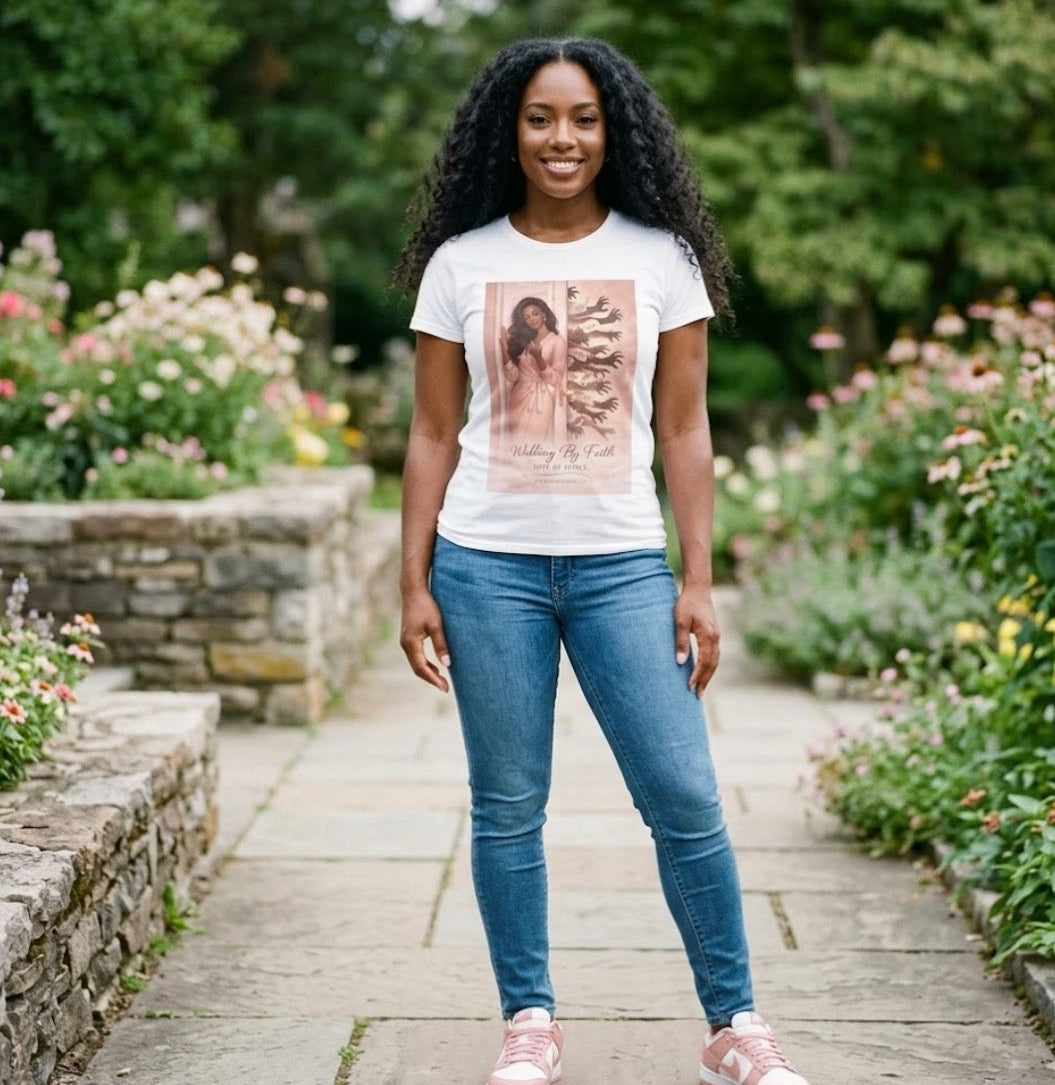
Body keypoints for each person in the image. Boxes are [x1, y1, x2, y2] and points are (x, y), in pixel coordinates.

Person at [395, 37, 811, 1085]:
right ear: (509, 130)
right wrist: (413, 583)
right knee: (505, 803)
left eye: (582, 118)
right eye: (540, 117)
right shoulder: (462, 264)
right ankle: (527, 1020)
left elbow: (684, 430)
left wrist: (698, 579)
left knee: (682, 793)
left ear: (611, 129)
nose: (562, 138)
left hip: (623, 562)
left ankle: (735, 1025)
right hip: (485, 565)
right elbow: (432, 432)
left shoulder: (661, 258)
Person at [503, 297, 567, 442]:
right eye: (526, 317)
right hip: (518, 396)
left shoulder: (557, 342)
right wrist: (504, 351)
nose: (532, 319)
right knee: (514, 444)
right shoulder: (523, 340)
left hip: (542, 400)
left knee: (533, 444)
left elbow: (557, 378)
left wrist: (539, 358)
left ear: (543, 313)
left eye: (535, 313)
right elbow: (513, 375)